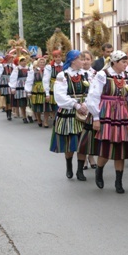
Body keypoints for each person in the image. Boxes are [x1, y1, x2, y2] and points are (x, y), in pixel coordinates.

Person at [86, 50, 128, 193]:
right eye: (123, 62)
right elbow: (93, 96)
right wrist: (96, 118)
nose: (126, 64)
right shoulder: (102, 75)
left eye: (126, 61)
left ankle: (118, 182)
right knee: (106, 146)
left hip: (123, 114)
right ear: (114, 62)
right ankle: (99, 171)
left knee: (121, 148)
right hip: (107, 114)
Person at [49, 50, 91, 181]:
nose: (83, 62)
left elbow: (93, 91)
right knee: (70, 141)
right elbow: (60, 96)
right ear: (73, 60)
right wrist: (76, 105)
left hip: (85, 111)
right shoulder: (63, 75)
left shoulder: (86, 74)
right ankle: (69, 166)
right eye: (81, 59)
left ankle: (80, 170)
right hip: (69, 111)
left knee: (83, 141)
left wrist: (86, 104)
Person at [0, 55, 15, 120]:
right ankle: (8, 114)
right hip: (4, 85)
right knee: (6, 100)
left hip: (11, 85)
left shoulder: (13, 66)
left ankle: (9, 112)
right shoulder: (1, 66)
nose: (12, 60)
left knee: (10, 99)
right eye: (11, 58)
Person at [9, 56, 30, 123]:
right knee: (22, 103)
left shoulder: (29, 68)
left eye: (24, 61)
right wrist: (13, 88)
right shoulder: (16, 69)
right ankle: (24, 116)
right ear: (19, 62)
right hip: (20, 88)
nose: (24, 62)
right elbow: (13, 79)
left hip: (28, 86)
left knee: (28, 103)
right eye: (22, 61)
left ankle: (29, 115)